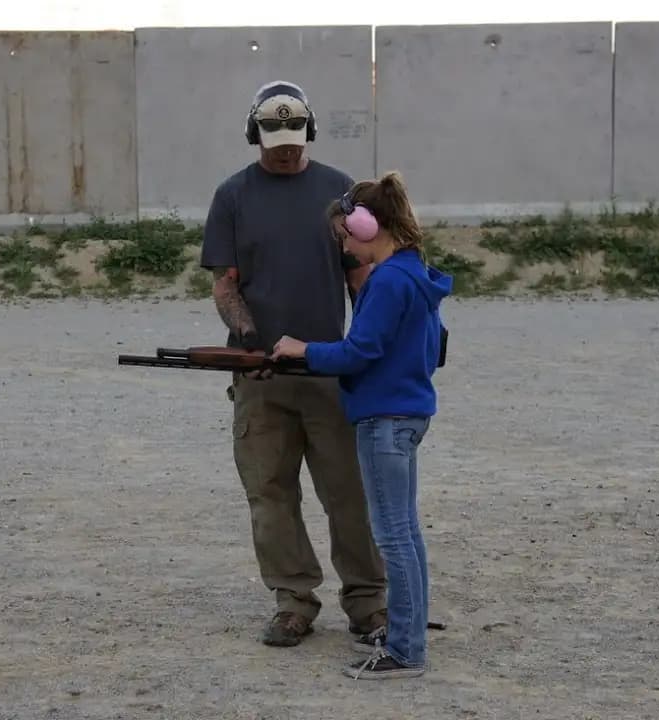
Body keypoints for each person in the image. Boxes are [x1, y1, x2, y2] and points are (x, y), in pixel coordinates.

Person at [199, 80, 388, 648]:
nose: (286, 148)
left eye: (295, 136)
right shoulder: (232, 196)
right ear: (254, 132)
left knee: (348, 493)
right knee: (271, 493)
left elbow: (363, 278)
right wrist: (246, 336)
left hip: (330, 372)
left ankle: (368, 602)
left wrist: (372, 347)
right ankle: (293, 600)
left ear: (311, 130)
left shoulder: (340, 192)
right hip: (261, 376)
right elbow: (224, 284)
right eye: (275, 137)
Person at [271, 171, 453, 680]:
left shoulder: (390, 280)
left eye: (346, 237)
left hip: (384, 421)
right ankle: (406, 638)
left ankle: (406, 652)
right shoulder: (416, 274)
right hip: (408, 415)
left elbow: (360, 351)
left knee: (393, 537)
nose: (346, 249)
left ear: (369, 227)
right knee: (406, 535)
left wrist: (302, 350)